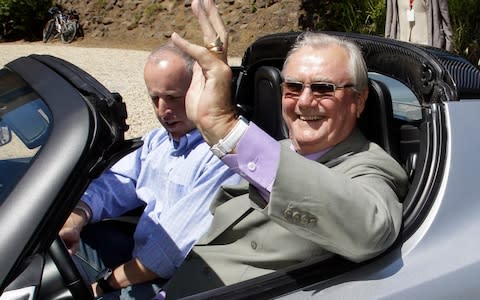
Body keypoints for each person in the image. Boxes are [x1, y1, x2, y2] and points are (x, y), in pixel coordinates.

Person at [152, 0, 410, 298]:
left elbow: (371, 229)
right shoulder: (276, 148)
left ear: (359, 101)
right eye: (293, 87)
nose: (304, 102)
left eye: (324, 88)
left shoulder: (371, 165)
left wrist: (226, 128)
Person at [59, 43, 241, 299]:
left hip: (174, 281)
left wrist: (102, 287)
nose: (162, 110)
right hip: (138, 258)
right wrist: (77, 217)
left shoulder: (222, 155)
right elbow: (117, 183)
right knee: (51, 249)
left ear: (201, 88)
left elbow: (165, 256)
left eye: (173, 97)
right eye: (155, 98)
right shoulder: (158, 141)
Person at [385, 0, 453, 51]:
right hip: (401, 49)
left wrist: (447, 51)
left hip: (427, 51)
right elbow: (389, 18)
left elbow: (446, 20)